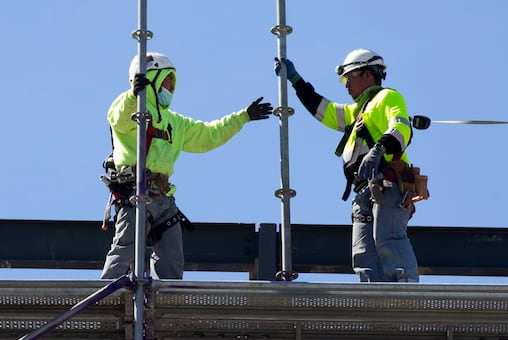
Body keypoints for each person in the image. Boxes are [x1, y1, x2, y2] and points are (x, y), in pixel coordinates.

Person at [101, 52, 273, 279]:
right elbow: (118, 119)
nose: (171, 86)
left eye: (173, 81)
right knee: (125, 251)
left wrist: (242, 117)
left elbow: (209, 134)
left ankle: (166, 303)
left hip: (163, 198)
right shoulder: (132, 108)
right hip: (135, 193)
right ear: (149, 80)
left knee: (171, 256)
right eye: (166, 80)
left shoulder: (175, 122)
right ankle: (104, 300)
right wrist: (134, 97)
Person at [275, 48, 419, 282]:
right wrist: (295, 80)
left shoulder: (387, 98)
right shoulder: (358, 112)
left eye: (349, 77)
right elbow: (323, 109)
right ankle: (374, 302)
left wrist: (379, 149)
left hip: (386, 185)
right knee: (363, 254)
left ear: (368, 74)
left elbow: (402, 128)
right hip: (364, 190)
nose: (345, 84)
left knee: (388, 239)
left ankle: (404, 293)